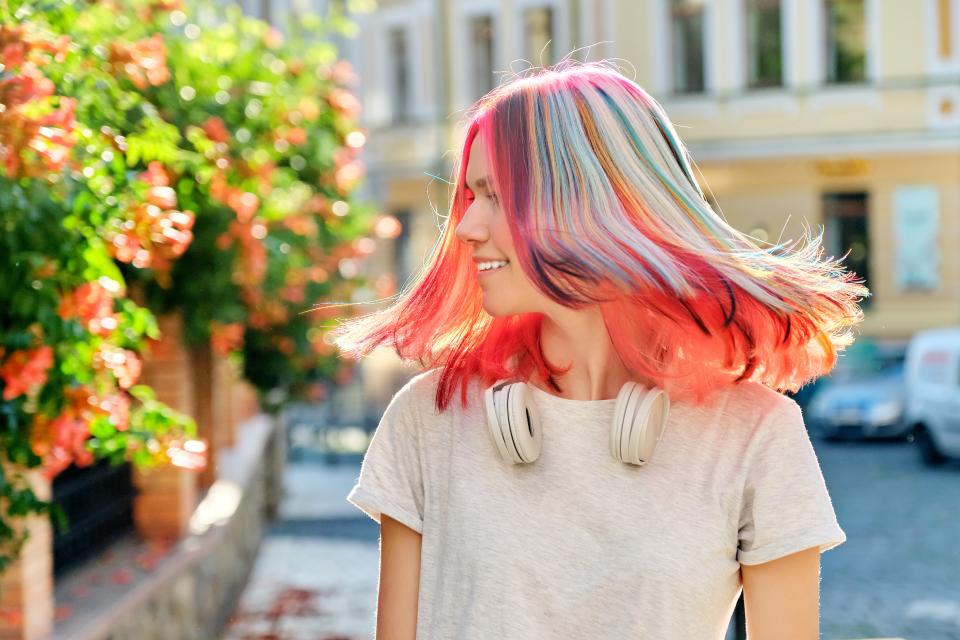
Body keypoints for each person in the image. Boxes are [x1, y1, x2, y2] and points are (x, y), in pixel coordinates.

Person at [332, 59, 867, 639]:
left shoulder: (756, 435)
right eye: (470, 196)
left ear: (589, 205)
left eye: (498, 197)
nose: (466, 226)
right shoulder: (429, 418)